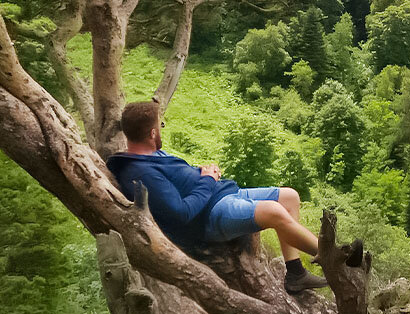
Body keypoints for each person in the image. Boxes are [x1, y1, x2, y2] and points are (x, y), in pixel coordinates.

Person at [106, 101, 328, 293]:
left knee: (289, 197)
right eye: (160, 126)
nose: (161, 130)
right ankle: (334, 257)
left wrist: (200, 174)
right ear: (152, 133)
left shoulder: (149, 156)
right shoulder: (140, 172)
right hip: (210, 215)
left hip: (221, 195)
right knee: (275, 211)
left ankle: (296, 273)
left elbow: (180, 183)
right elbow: (182, 213)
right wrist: (207, 179)